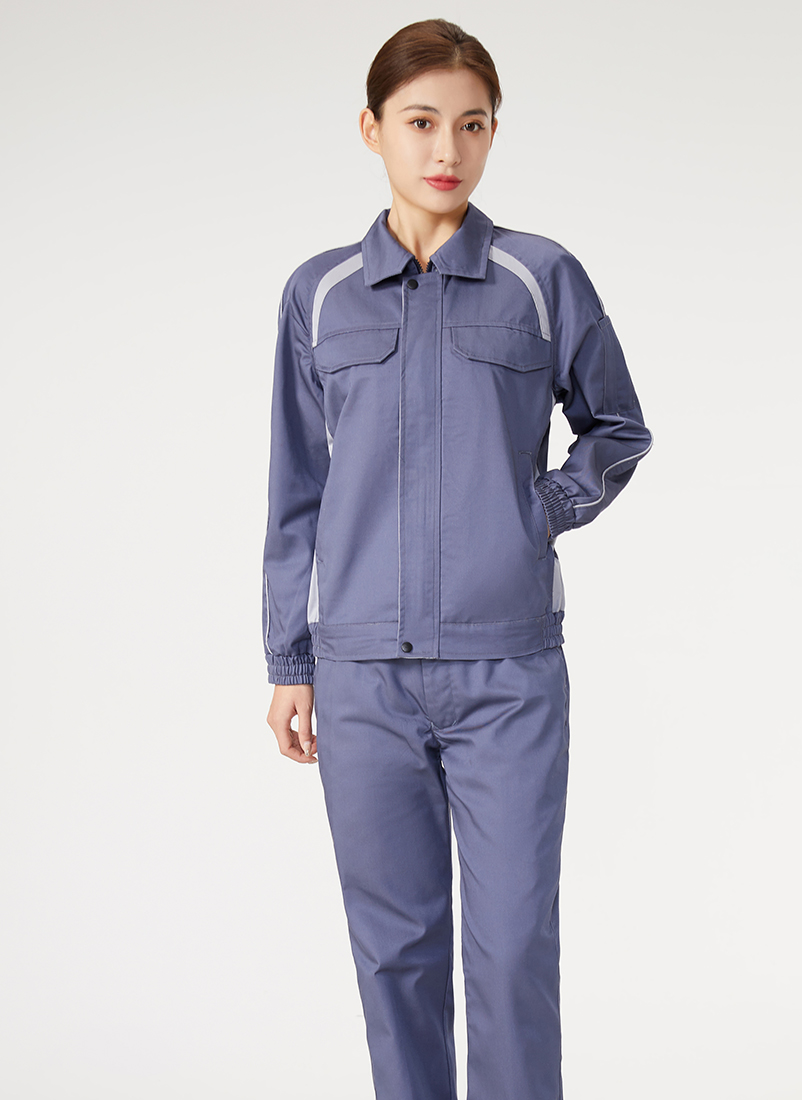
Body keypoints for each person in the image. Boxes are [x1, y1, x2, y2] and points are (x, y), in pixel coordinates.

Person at [263, 18, 652, 1100]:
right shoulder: (319, 293)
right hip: (360, 677)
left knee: (512, 946)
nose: (447, 149)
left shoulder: (540, 275)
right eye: (421, 121)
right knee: (395, 953)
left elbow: (617, 428)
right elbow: (294, 487)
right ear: (372, 129)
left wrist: (537, 512)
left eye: (472, 125)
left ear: (492, 134)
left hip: (506, 670)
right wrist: (289, 658)